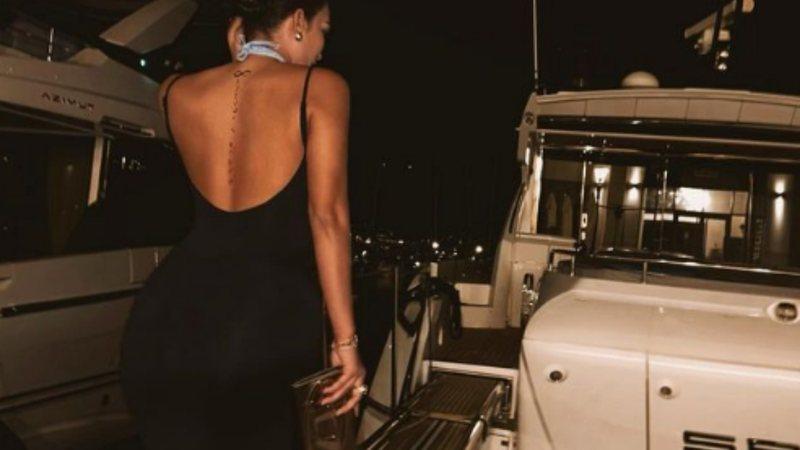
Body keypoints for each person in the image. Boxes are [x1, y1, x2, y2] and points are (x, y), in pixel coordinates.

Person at [119, 0, 366, 448]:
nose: (322, 47)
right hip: (267, 325)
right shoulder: (322, 87)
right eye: (323, 29)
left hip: (167, 321)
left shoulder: (173, 91)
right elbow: (327, 218)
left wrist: (239, 47)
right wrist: (345, 342)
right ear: (297, 21)